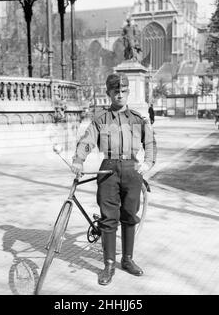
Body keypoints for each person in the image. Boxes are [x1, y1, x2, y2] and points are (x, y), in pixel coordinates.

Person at [71, 73, 157, 286]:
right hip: (108, 170)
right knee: (108, 219)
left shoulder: (138, 119)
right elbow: (87, 140)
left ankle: (127, 259)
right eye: (116, 91)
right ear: (109, 93)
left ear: (128, 92)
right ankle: (109, 264)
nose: (120, 94)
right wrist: (79, 160)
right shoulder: (101, 119)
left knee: (129, 215)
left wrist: (146, 164)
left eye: (124, 91)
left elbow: (151, 143)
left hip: (131, 170)